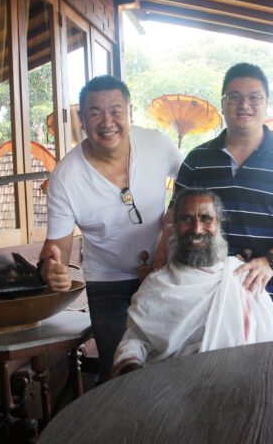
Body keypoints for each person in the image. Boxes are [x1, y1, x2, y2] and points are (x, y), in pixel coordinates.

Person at [165, 63, 273, 339]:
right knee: (214, 379)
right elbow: (174, 219)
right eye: (235, 97)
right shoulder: (197, 161)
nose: (244, 105)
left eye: (254, 97)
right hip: (207, 295)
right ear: (223, 104)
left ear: (266, 104)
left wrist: (271, 261)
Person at [39, 75, 181, 383]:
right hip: (108, 284)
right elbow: (55, 252)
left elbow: (192, 181)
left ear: (130, 111)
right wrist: (51, 270)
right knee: (119, 372)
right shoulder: (66, 177)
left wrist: (170, 225)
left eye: (116, 110)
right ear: (82, 119)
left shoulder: (157, 144)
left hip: (163, 276)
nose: (107, 122)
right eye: (95, 112)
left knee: (171, 365)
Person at [111, 189, 273, 376]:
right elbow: (136, 341)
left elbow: (269, 341)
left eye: (206, 218)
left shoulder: (242, 277)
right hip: (171, 391)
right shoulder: (157, 285)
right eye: (187, 219)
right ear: (175, 226)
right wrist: (131, 365)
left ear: (218, 224)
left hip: (237, 385)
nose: (197, 229)